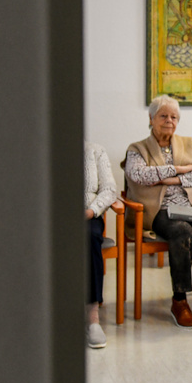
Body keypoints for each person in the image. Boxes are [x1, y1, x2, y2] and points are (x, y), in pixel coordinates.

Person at [124, 95, 192, 329]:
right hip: (160, 209)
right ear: (151, 118)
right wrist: (180, 169)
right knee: (183, 233)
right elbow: (139, 175)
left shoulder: (191, 143)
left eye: (174, 117)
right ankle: (180, 301)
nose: (169, 120)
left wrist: (167, 178)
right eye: (163, 115)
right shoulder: (137, 149)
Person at [84, 141, 117, 349]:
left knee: (89, 238)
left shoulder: (95, 150)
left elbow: (110, 190)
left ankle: (92, 316)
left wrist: (91, 211)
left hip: (88, 213)